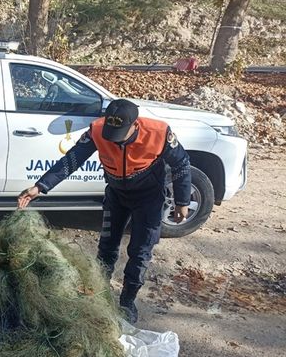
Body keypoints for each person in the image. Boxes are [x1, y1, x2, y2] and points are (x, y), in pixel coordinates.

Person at [17, 99, 191, 324]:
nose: (114, 137)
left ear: (135, 125)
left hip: (148, 198)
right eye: (111, 130)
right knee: (107, 247)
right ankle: (99, 292)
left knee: (140, 251)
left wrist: (182, 202)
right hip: (117, 196)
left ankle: (127, 301)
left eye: (120, 132)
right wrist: (41, 186)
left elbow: (181, 164)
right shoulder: (98, 130)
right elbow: (72, 160)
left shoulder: (158, 132)